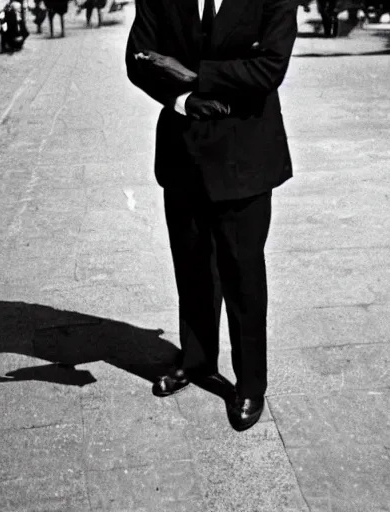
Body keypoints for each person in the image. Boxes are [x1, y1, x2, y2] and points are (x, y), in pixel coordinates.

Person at [125, 0, 297, 432]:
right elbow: (139, 60)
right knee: (192, 264)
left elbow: (269, 67)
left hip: (246, 158)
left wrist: (193, 75)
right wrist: (183, 99)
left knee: (242, 273)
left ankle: (250, 384)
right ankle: (197, 360)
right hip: (183, 154)